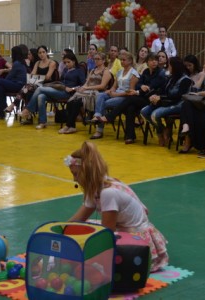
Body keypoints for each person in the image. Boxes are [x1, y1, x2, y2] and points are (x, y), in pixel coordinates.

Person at [65, 141, 169, 272]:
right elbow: (78, 219)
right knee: (85, 227)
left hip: (136, 240)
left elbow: (107, 233)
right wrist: (62, 233)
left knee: (95, 244)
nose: (74, 179)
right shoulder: (96, 188)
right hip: (123, 227)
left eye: (76, 174)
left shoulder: (108, 193)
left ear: (87, 173)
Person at [94, 53, 167, 144]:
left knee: (130, 99)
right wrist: (142, 86)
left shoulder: (160, 73)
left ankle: (109, 117)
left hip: (153, 99)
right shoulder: (146, 72)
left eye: (156, 60)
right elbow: (139, 84)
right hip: (142, 97)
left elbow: (152, 86)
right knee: (130, 107)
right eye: (152, 60)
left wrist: (140, 90)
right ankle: (130, 136)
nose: (154, 62)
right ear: (147, 62)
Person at [20, 52, 86, 129]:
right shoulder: (65, 70)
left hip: (69, 93)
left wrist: (73, 88)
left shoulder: (79, 71)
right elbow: (61, 81)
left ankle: (28, 109)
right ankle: (43, 122)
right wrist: (63, 87)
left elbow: (83, 85)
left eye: (68, 62)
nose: (66, 64)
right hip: (61, 90)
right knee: (41, 96)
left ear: (74, 61)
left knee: (40, 88)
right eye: (65, 62)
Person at [141, 57, 192, 146]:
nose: (168, 67)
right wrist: (154, 96)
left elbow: (179, 96)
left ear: (174, 67)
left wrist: (160, 97)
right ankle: (162, 130)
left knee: (154, 115)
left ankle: (160, 134)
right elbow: (163, 90)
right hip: (166, 102)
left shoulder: (186, 80)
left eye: (169, 65)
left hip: (178, 104)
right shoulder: (170, 78)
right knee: (144, 111)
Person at [58, 52, 112, 134]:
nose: (96, 61)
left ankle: (68, 125)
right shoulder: (93, 70)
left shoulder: (106, 71)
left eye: (98, 59)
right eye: (95, 59)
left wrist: (87, 88)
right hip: (88, 91)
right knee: (70, 102)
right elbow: (87, 82)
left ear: (104, 60)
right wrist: (83, 88)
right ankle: (72, 127)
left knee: (77, 103)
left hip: (97, 94)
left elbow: (102, 86)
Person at [89, 51, 139, 139]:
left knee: (104, 104)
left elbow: (131, 92)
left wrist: (115, 95)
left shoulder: (133, 74)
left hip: (125, 97)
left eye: (124, 60)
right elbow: (114, 86)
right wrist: (110, 91)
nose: (122, 62)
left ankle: (99, 130)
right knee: (100, 95)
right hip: (116, 93)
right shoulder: (119, 72)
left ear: (130, 61)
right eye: (121, 60)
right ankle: (97, 116)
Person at [5, 45, 57, 116]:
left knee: (27, 87)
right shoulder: (37, 63)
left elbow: (48, 77)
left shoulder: (52, 63)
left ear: (46, 52)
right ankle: (27, 114)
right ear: (38, 54)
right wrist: (38, 77)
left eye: (43, 52)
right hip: (38, 84)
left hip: (48, 85)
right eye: (39, 53)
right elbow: (31, 75)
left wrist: (37, 77)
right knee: (28, 90)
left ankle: (15, 105)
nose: (41, 54)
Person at [0, 46, 27, 119]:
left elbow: (9, 77)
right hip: (17, 83)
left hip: (18, 85)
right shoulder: (21, 62)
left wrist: (3, 81)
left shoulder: (16, 63)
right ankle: (0, 112)